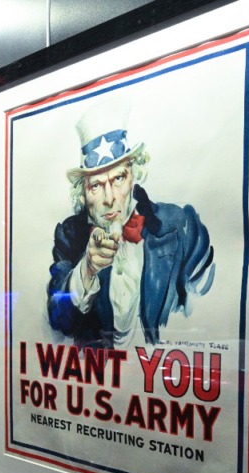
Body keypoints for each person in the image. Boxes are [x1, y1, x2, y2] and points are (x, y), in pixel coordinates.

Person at [46, 98, 215, 347]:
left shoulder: (181, 226)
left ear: (134, 175)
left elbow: (205, 319)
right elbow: (58, 320)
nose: (110, 198)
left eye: (118, 179)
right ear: (82, 194)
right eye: (96, 185)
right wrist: (87, 270)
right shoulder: (70, 235)